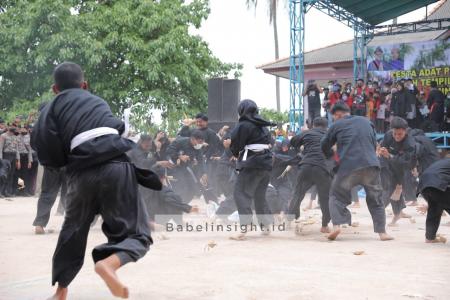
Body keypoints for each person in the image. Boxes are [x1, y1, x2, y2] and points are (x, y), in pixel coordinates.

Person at [32, 62, 161, 300]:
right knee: (137, 233)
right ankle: (110, 264)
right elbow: (118, 129)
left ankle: (61, 291)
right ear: (85, 85)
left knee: (72, 230)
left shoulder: (52, 107)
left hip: (82, 172)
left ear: (54, 89)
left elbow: (42, 141)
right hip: (118, 165)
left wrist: (62, 162)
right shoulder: (98, 102)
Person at [321, 103, 393, 241]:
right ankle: (382, 233)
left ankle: (336, 226)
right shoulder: (367, 122)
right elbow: (373, 144)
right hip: (371, 166)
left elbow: (324, 145)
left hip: (349, 166)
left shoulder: (337, 125)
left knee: (336, 196)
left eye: (334, 117)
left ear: (337, 115)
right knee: (376, 199)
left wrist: (331, 155)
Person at [230, 99, 275, 240]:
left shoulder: (243, 125)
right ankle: (266, 226)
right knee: (259, 196)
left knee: (240, 193)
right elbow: (270, 143)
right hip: (266, 164)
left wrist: (233, 150)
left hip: (252, 163)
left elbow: (236, 145)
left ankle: (246, 224)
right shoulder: (263, 126)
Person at [289, 117, 332, 233]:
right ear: (326, 126)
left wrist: (301, 148)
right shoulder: (329, 134)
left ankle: (289, 220)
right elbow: (331, 152)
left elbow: (292, 141)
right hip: (321, 168)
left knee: (297, 193)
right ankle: (324, 225)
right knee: (324, 197)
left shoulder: (307, 133)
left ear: (313, 125)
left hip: (306, 165)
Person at [378, 117, 419, 225]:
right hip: (389, 166)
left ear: (405, 131)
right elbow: (382, 146)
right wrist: (381, 150)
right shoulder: (388, 135)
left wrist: (390, 156)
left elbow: (406, 162)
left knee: (394, 191)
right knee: (390, 189)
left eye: (400, 134)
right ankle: (397, 213)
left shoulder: (410, 143)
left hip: (405, 168)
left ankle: (382, 214)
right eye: (394, 133)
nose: (396, 136)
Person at [166, 129, 209, 203]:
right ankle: (176, 206)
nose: (200, 144)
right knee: (182, 188)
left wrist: (204, 173)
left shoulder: (197, 148)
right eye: (199, 142)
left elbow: (201, 160)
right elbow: (168, 151)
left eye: (202, 142)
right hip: (173, 168)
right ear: (192, 139)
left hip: (185, 168)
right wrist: (179, 156)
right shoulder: (180, 141)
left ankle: (183, 204)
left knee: (192, 189)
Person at [417, 158, 450, 243]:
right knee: (437, 206)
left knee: (434, 209)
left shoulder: (444, 161)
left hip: (423, 185)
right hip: (439, 184)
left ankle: (430, 237)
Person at [32, 167, 67, 234]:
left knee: (47, 193)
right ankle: (73, 223)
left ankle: (40, 223)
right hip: (69, 162)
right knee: (69, 194)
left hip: (51, 163)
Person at [0, 124, 20, 197]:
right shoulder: (3, 136)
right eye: (12, 131)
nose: (13, 132)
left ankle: (7, 192)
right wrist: (1, 159)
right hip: (6, 156)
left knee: (11, 174)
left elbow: (17, 149)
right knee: (3, 175)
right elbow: (1, 148)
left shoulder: (15, 137)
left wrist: (18, 160)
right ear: (9, 129)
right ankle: (1, 192)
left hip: (13, 156)